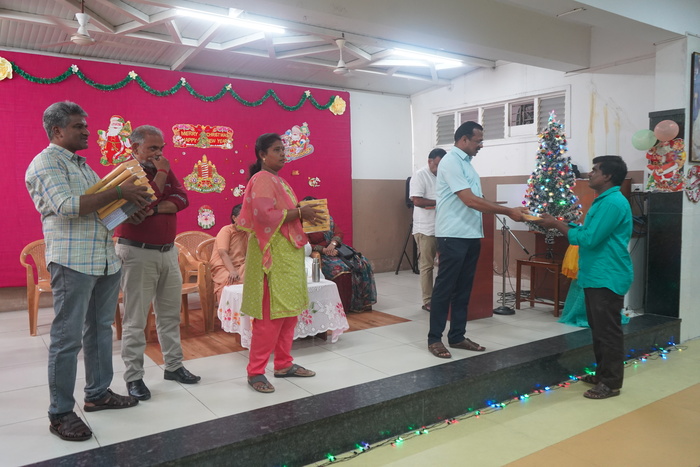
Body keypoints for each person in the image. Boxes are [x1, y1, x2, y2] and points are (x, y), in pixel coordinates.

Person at [25, 101, 152, 442]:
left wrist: (128, 212)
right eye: (79, 126)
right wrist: (119, 191)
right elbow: (67, 206)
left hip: (103, 259)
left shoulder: (83, 166)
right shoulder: (46, 163)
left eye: (86, 125)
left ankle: (97, 394)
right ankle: (60, 413)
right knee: (67, 339)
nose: (87, 131)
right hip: (73, 261)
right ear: (57, 131)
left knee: (100, 331)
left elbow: (101, 214)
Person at [428, 121, 527, 359]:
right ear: (463, 140)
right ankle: (434, 339)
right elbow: (470, 200)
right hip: (453, 234)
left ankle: (457, 336)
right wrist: (507, 211)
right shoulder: (451, 162)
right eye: (478, 141)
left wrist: (504, 209)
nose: (480, 145)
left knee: (463, 289)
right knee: (444, 289)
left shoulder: (467, 165)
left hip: (471, 234)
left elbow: (476, 199)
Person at [115, 125, 200, 402]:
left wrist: (154, 208)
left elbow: (183, 199)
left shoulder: (161, 168)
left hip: (167, 252)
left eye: (161, 148)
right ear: (134, 148)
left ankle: (173, 366)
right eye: (152, 148)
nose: (159, 154)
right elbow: (144, 201)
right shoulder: (127, 172)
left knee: (169, 315)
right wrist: (162, 176)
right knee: (136, 319)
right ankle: (134, 377)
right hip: (137, 252)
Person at [537, 155, 633, 399]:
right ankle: (602, 374)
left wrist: (557, 224)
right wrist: (562, 223)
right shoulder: (604, 200)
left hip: (607, 275)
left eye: (595, 170)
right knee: (599, 329)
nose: (590, 173)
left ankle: (611, 383)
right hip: (596, 274)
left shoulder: (612, 203)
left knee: (608, 332)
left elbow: (589, 239)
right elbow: (588, 231)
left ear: (607, 176)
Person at [237, 133, 324, 393]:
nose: (283, 154)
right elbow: (264, 216)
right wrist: (299, 212)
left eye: (283, 149)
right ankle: (256, 372)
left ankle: (284, 364)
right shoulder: (262, 178)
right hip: (272, 257)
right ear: (262, 155)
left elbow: (284, 215)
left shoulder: (279, 180)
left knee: (288, 314)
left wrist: (304, 214)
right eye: (277, 150)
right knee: (269, 318)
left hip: (289, 257)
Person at [305, 199, 377, 313]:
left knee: (362, 263)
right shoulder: (302, 224)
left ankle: (361, 303)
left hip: (336, 250)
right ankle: (341, 306)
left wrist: (333, 244)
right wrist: (324, 250)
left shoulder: (327, 219)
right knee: (339, 269)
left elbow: (339, 233)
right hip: (321, 255)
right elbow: (306, 244)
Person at [410, 148, 446, 312]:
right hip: (425, 229)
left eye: (442, 165)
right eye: (436, 165)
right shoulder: (420, 175)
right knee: (427, 266)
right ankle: (428, 300)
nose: (439, 169)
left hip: (444, 227)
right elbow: (417, 201)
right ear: (429, 161)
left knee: (445, 265)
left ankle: (442, 297)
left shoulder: (444, 175)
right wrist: (441, 202)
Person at [210, 203, 249, 301]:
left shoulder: (246, 232)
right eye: (243, 216)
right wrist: (232, 270)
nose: (246, 220)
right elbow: (223, 253)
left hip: (240, 266)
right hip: (224, 266)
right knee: (232, 281)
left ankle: (245, 308)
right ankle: (228, 309)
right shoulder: (226, 230)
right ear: (234, 218)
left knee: (253, 277)